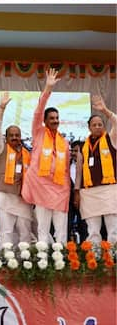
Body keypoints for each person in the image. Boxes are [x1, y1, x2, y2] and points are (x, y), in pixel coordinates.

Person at [21, 68, 71, 243]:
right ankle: (44, 263)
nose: (55, 121)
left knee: (61, 231)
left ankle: (62, 262)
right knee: (42, 229)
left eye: (57, 118)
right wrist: (48, 88)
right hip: (42, 188)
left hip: (60, 190)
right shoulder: (38, 132)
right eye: (52, 118)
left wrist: (67, 189)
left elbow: (65, 169)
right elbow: (38, 110)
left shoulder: (64, 142)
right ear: (45, 120)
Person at [74, 95, 117, 244]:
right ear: (89, 127)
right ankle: (96, 260)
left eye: (100, 124)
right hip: (89, 193)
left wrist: (105, 110)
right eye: (94, 125)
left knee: (113, 229)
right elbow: (79, 172)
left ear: (104, 127)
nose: (97, 127)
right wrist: (77, 191)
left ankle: (113, 260)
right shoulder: (83, 147)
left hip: (109, 190)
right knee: (92, 231)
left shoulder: (111, 139)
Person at [0, 93, 34, 245]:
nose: (15, 138)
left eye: (18, 135)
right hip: (4, 196)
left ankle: (24, 263)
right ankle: (5, 262)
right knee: (6, 232)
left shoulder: (27, 154)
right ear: (6, 137)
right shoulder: (0, 149)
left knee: (24, 233)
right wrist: (2, 108)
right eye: (12, 135)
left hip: (23, 198)